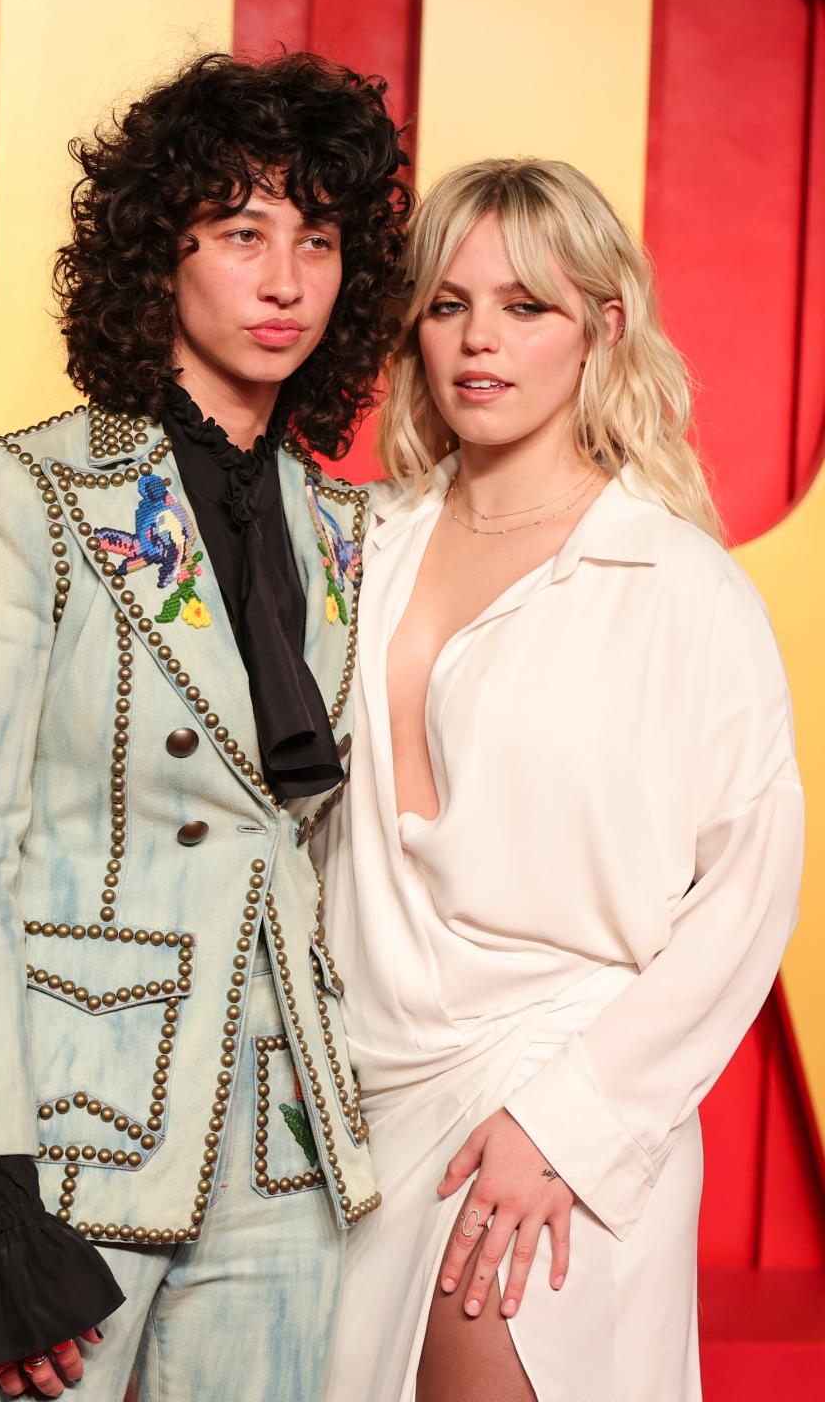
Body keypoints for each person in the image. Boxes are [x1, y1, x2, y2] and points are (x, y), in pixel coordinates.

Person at [0, 50, 409, 1402]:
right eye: (243, 234)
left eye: (317, 238)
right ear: (161, 255)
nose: (286, 277)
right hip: (71, 1133)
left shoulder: (350, 531)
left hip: (283, 1146)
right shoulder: (28, 495)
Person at [316, 158, 804, 1402]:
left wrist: (571, 1125)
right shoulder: (357, 549)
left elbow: (750, 891)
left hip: (560, 1100)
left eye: (528, 305)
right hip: (353, 1113)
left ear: (606, 327)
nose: (481, 340)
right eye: (448, 303)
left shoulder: (676, 587)